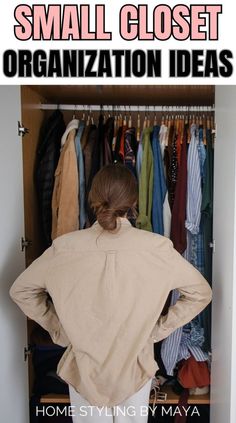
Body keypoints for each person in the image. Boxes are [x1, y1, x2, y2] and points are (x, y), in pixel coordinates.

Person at [9, 163, 212, 423]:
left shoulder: (64, 248)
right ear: (133, 201)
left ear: (92, 198)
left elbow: (21, 290)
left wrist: (59, 329)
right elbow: (200, 292)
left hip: (85, 370)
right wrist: (156, 330)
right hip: (134, 367)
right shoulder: (157, 248)